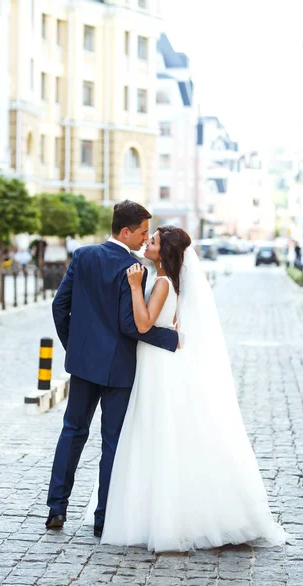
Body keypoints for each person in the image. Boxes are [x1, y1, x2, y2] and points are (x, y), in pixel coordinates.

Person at [91, 225, 287, 552]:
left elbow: (142, 324)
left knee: (158, 434)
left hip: (159, 367)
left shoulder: (162, 284)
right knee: (158, 436)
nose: (147, 243)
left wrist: (135, 287)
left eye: (152, 241)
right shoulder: (167, 282)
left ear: (163, 252)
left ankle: (163, 517)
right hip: (158, 363)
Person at [46, 201, 178, 536]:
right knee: (112, 443)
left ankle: (56, 508)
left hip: (84, 364)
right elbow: (130, 325)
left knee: (72, 432)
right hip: (119, 369)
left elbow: (59, 306)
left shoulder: (84, 256)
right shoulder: (136, 270)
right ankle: (103, 518)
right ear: (126, 231)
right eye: (143, 232)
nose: (145, 238)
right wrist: (170, 339)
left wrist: (75, 348)